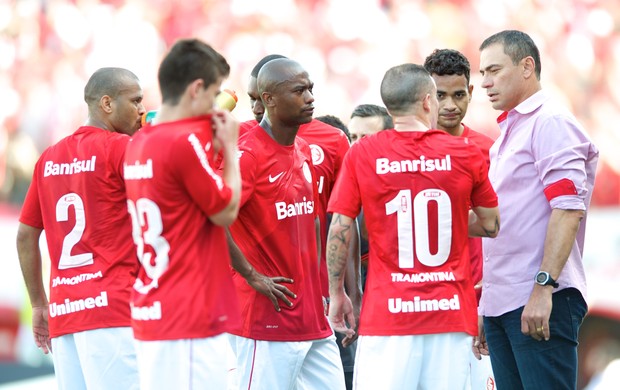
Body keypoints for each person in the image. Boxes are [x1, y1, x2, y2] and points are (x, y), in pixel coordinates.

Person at [326, 63, 500, 389]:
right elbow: (491, 224)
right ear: (426, 101)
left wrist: (338, 293)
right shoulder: (464, 151)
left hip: (388, 315)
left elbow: (340, 226)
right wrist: (443, 225)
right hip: (450, 314)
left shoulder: (363, 152)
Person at [478, 30, 599, 390]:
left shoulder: (550, 121)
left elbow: (567, 209)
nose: (484, 83)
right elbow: (505, 223)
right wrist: (489, 303)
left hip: (538, 296)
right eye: (482, 72)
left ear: (527, 66)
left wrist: (543, 288)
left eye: (494, 70)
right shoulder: (508, 136)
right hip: (504, 301)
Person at [123, 38, 242, 389]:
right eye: (214, 92)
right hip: (188, 312)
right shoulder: (183, 142)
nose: (214, 103)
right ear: (197, 88)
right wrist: (231, 151)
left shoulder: (139, 141)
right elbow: (226, 211)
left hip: (154, 304)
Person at [16, 67, 145, 390]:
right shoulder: (120, 148)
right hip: (113, 311)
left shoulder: (48, 157)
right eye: (135, 100)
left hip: (66, 312)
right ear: (106, 103)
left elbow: (25, 235)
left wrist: (38, 305)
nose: (142, 109)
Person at [226, 58, 346, 389]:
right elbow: (212, 219)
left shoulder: (303, 148)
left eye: (310, 89)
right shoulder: (247, 155)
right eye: (299, 90)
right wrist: (251, 276)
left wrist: (324, 286)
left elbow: (315, 220)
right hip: (268, 317)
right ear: (268, 99)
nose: (310, 98)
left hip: (312, 316)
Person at [423, 48, 496, 389]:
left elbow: (498, 225)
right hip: (421, 299)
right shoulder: (406, 150)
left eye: (458, 94)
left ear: (470, 92)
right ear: (425, 96)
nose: (450, 105)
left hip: (477, 298)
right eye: (440, 95)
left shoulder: (489, 150)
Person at [348, 104, 393, 290]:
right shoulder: (343, 185)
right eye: (353, 137)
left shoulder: (405, 185)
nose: (357, 144)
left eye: (365, 138)